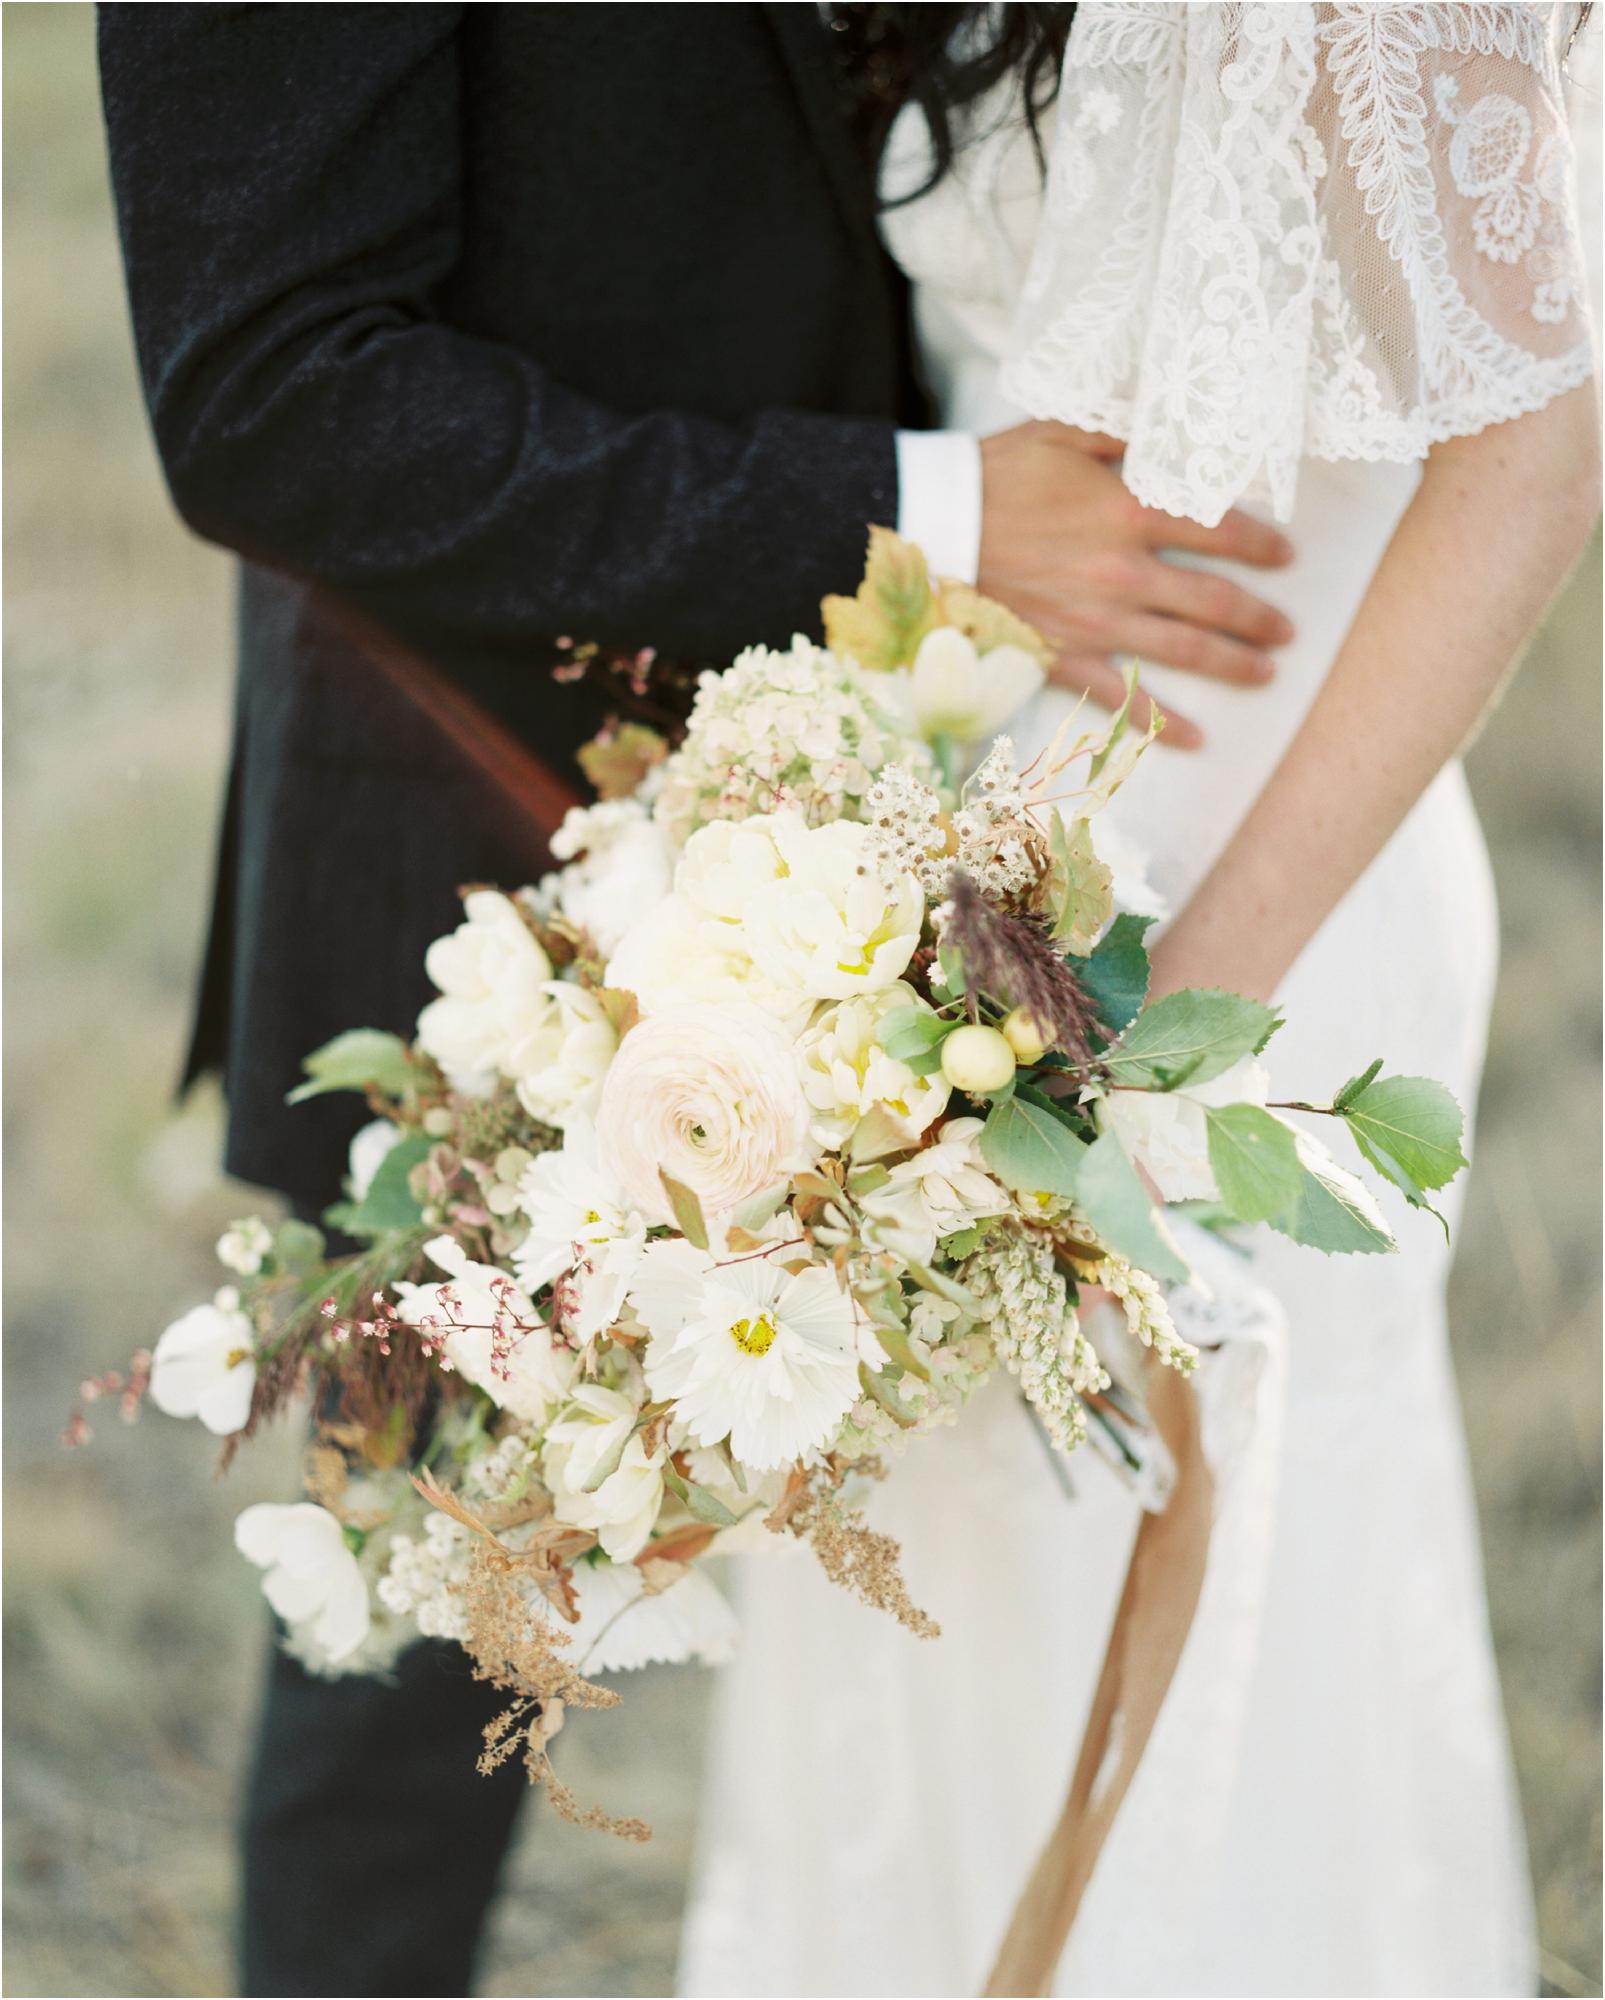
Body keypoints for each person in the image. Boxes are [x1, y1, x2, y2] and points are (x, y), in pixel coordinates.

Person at [96, 5, 1303, 1994]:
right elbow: (268, 395)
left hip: (976, 794)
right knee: (420, 1647)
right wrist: (920, 517)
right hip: (486, 828)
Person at [679, 5, 1600, 1996]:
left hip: (1235, 923)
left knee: (1207, 1657)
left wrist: (1172, 1013)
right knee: (920, 1615)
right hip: (950, 873)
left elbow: (1532, 452)